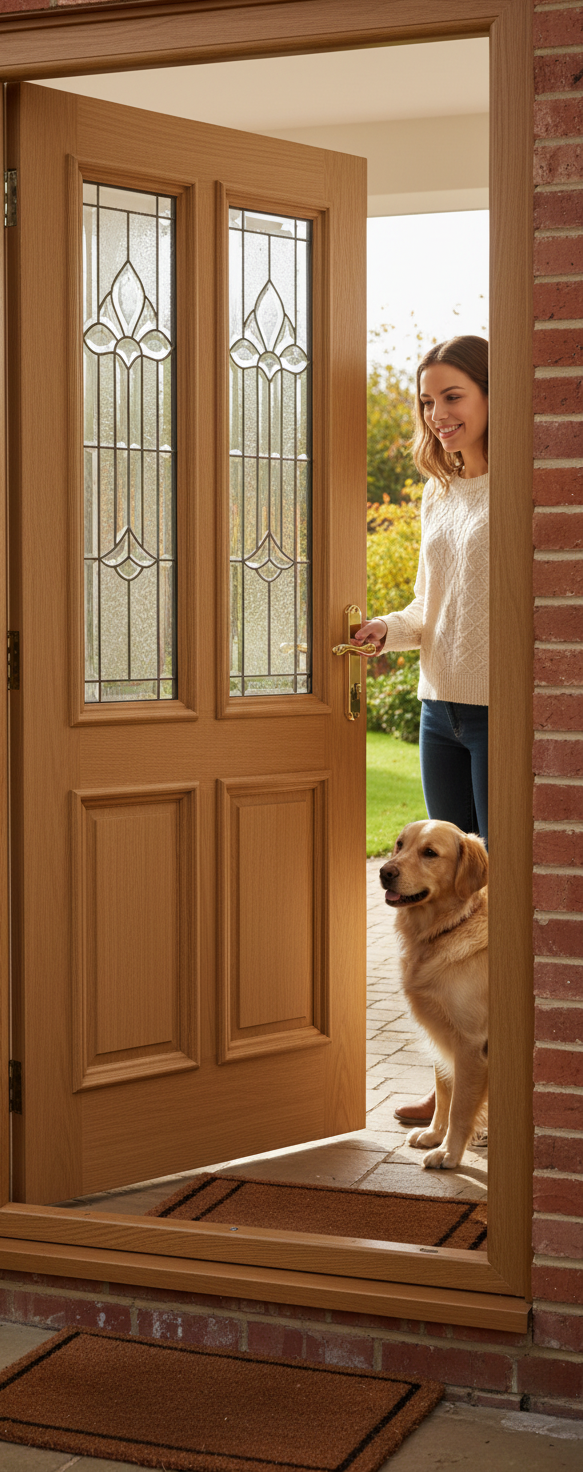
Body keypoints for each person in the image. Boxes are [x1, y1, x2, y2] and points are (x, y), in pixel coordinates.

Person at [355, 335, 488, 1127]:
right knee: (436, 894)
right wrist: (385, 629)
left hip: (503, 712)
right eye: (429, 401)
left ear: (490, 396)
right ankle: (452, 1080)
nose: (439, 416)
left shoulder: (526, 485)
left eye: (454, 397)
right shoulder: (442, 493)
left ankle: (500, 1077)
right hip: (441, 710)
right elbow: (427, 612)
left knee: (495, 905)